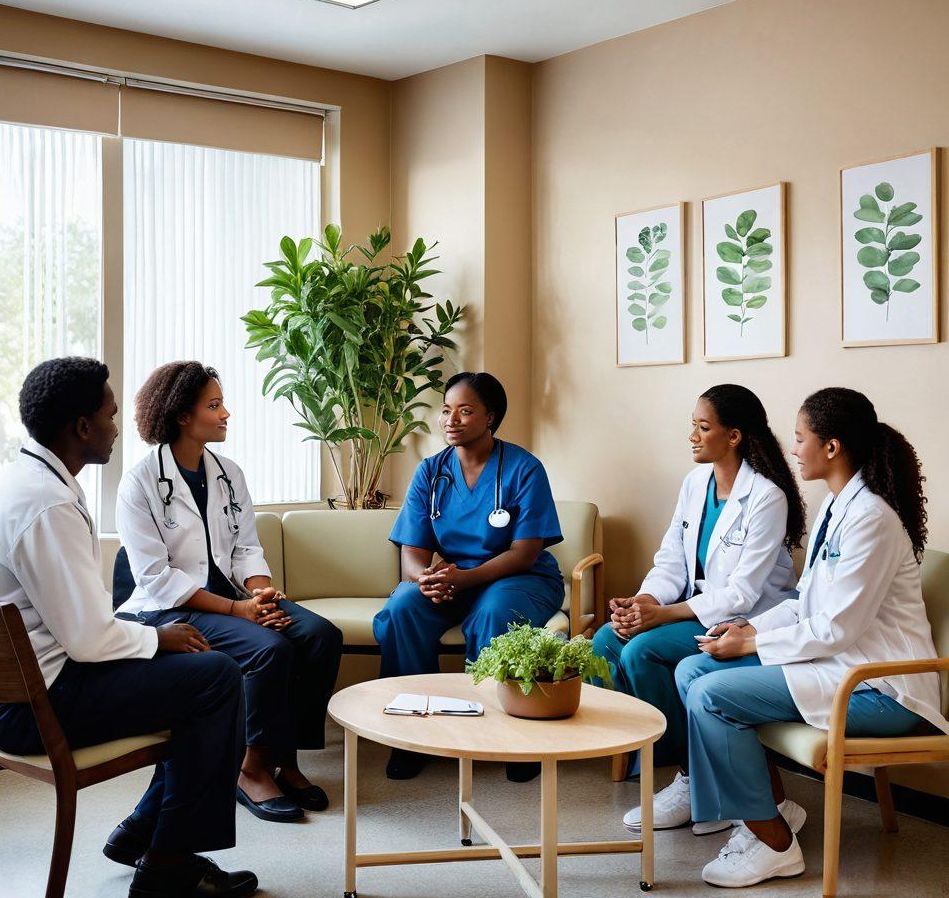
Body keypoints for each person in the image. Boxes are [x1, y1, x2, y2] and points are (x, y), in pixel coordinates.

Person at [0, 358, 256, 898]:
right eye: (110, 415)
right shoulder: (47, 504)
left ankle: (144, 833)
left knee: (195, 675)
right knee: (217, 679)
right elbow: (88, 640)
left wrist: (155, 643)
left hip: (18, 693)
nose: (117, 428)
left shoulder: (27, 482)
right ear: (81, 427)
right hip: (34, 708)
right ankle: (167, 866)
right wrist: (158, 637)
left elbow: (79, 626)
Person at [675, 387, 949, 888]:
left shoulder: (872, 519)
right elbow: (805, 601)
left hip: (881, 690)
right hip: (841, 667)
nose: (793, 448)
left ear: (832, 447)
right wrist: (750, 627)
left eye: (801, 438)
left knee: (711, 694)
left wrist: (750, 645)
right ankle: (770, 808)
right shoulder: (837, 506)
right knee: (694, 668)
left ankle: (774, 843)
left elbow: (836, 627)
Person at [115, 360, 343, 823]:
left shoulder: (228, 472)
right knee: (270, 650)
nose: (226, 414)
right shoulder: (139, 482)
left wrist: (262, 596)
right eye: (214, 405)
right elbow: (156, 577)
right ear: (182, 415)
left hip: (234, 596)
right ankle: (251, 768)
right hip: (171, 607)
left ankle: (286, 759)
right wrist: (240, 611)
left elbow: (245, 547)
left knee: (322, 636)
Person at [592, 384, 802, 835]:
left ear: (734, 436)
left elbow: (743, 593)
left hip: (744, 621)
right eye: (693, 425)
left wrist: (663, 616)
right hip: (694, 608)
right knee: (608, 639)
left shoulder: (767, 497)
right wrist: (645, 601)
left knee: (642, 651)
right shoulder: (695, 483)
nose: (692, 436)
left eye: (703, 428)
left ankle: (690, 778)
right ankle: (692, 775)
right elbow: (671, 559)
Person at [373, 371, 565, 781]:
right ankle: (411, 735)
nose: (451, 420)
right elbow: (412, 553)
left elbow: (524, 552)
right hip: (455, 578)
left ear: (490, 417)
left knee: (493, 613)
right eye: (446, 410)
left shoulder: (524, 468)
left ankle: (508, 735)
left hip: (519, 577)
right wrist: (424, 580)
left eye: (465, 411)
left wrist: (464, 579)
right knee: (403, 608)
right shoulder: (431, 472)